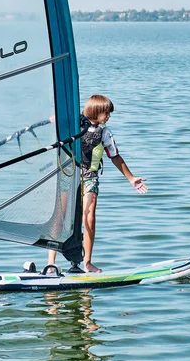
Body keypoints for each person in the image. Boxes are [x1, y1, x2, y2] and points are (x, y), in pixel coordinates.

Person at [48, 94, 148, 273]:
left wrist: (131, 178)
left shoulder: (105, 132)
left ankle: (86, 262)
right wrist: (62, 118)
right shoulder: (75, 123)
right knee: (60, 216)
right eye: (106, 113)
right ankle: (51, 263)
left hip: (89, 177)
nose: (109, 116)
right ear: (96, 110)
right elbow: (54, 120)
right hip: (68, 175)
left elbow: (115, 156)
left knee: (89, 216)